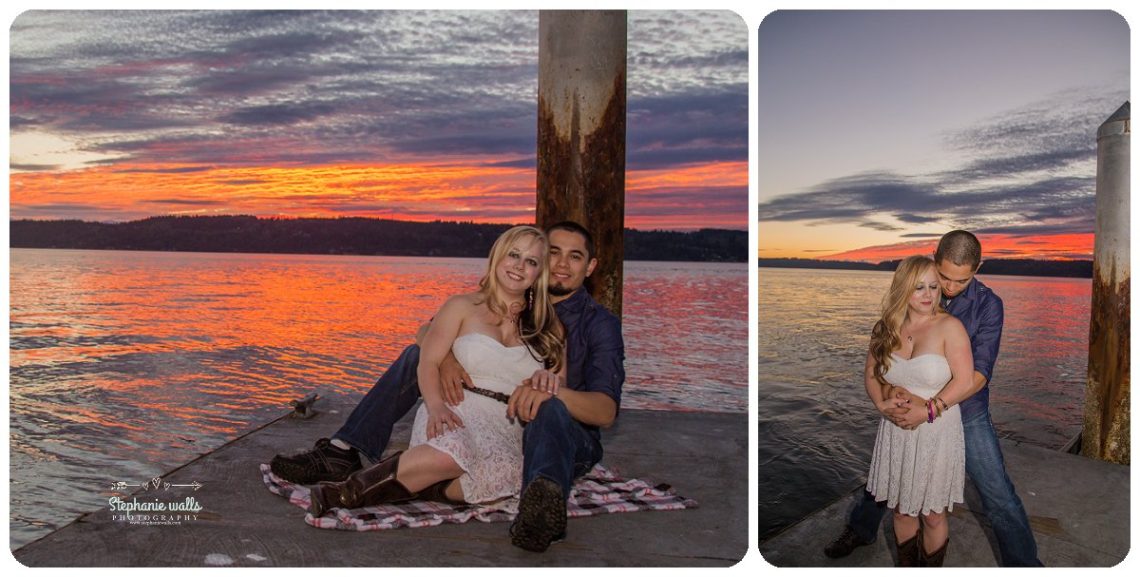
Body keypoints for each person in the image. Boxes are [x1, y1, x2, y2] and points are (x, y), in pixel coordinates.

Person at [270, 221, 625, 552]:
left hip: (548, 427)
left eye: (571, 256)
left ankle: (417, 476)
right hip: (467, 405)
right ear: (500, 257)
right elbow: (429, 335)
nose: (560, 264)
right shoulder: (470, 304)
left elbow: (598, 407)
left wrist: (549, 387)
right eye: (551, 253)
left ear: (587, 267)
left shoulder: (581, 324)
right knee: (420, 361)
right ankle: (344, 455)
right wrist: (448, 359)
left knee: (497, 465)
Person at [306, 225, 563, 515]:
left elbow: (561, 386)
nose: (519, 266)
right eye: (513, 255)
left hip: (508, 423)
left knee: (497, 483)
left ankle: (419, 481)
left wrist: (548, 378)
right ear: (497, 258)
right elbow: (427, 360)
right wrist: (436, 405)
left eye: (531, 261)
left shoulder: (547, 324)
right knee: (452, 455)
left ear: (539, 273)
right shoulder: (461, 306)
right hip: (457, 406)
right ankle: (343, 493)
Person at [824, 230, 1042, 566]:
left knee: (997, 492)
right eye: (944, 277)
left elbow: (979, 374)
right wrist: (892, 395)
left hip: (965, 410)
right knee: (889, 480)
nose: (950, 288)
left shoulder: (988, 306)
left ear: (977, 268)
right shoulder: (913, 296)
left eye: (962, 280)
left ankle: (1025, 566)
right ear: (933, 258)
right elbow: (881, 364)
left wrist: (930, 409)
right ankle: (862, 529)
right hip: (908, 410)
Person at [863, 256, 971, 566]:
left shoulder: (950, 327)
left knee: (933, 514)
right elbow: (872, 373)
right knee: (900, 509)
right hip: (896, 432)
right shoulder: (886, 327)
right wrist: (883, 399)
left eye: (934, 287)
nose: (928, 295)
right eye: (919, 287)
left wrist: (929, 411)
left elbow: (964, 381)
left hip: (937, 431)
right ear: (902, 289)